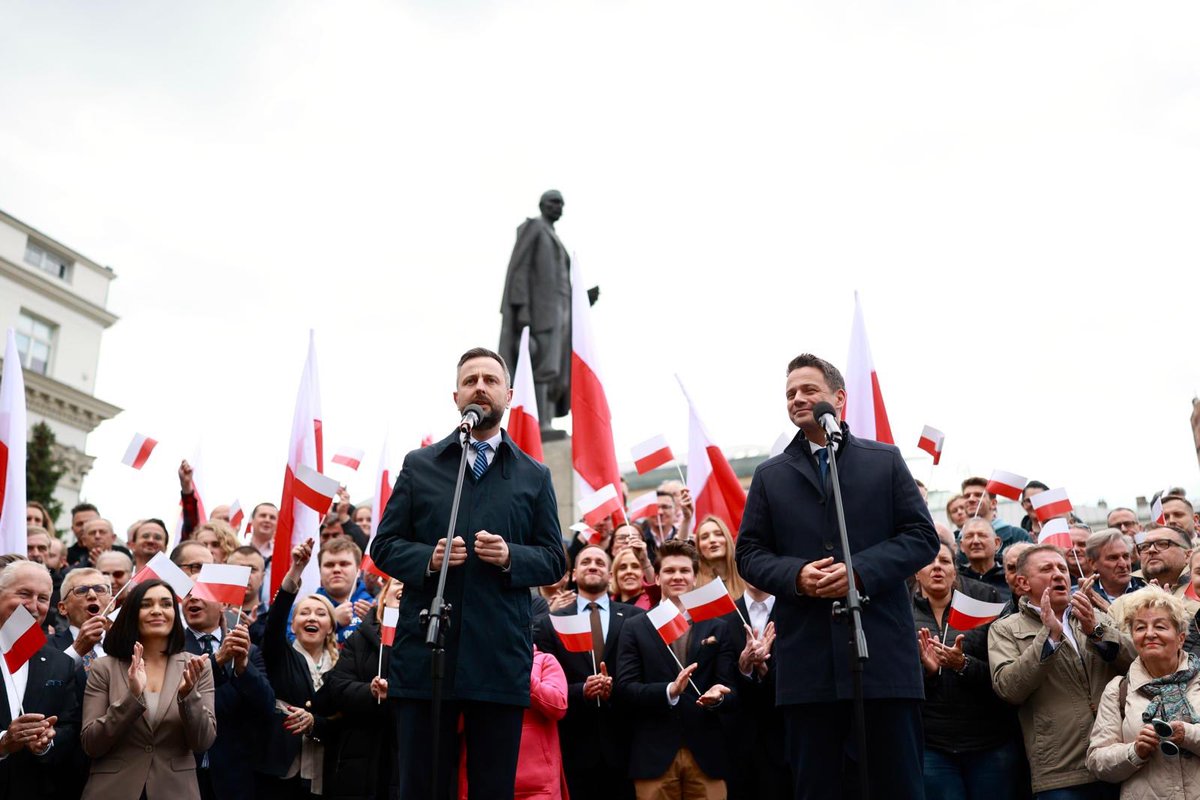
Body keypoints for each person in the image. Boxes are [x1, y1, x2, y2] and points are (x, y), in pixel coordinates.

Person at [736, 353, 940, 799]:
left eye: (808, 389)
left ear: (838, 399)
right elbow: (748, 554)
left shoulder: (883, 460)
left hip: (881, 658)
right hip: (808, 667)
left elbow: (922, 537)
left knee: (897, 787)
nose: (797, 398)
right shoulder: (770, 476)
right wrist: (796, 576)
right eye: (790, 393)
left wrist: (859, 572)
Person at [370, 346, 568, 800]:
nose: (480, 386)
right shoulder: (421, 466)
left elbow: (555, 559)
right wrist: (428, 558)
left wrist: (511, 556)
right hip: (427, 657)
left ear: (509, 394)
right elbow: (384, 545)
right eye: (471, 379)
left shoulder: (533, 475)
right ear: (456, 396)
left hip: (498, 657)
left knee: (491, 789)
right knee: (422, 787)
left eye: (490, 379)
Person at [989, 545, 1134, 798]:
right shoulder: (1005, 629)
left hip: (1117, 758)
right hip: (1060, 771)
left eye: (1062, 569)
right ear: (1023, 583)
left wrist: (1096, 632)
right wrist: (1050, 637)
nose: (1058, 574)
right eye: (1046, 569)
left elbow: (1137, 664)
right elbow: (1009, 689)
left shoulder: (1093, 616)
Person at [615, 539, 737, 799]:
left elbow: (732, 689)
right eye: (669, 571)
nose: (677, 576)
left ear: (695, 577)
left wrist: (719, 697)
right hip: (653, 756)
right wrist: (670, 691)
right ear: (657, 578)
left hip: (707, 754)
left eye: (684, 571)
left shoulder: (718, 626)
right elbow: (625, 688)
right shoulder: (635, 626)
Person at [80, 578, 216, 799]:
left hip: (176, 790)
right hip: (113, 790)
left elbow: (202, 742)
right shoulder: (104, 667)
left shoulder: (198, 665)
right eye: (146, 605)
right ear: (132, 613)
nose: (157, 611)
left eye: (165, 604)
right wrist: (132, 697)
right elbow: (91, 744)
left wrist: (188, 696)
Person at [912, 544, 1024, 800]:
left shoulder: (982, 609)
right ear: (917, 573)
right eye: (929, 561)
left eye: (945, 561)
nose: (937, 566)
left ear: (955, 572)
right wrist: (927, 672)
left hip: (988, 741)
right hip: (932, 745)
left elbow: (1004, 674)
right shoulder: (904, 614)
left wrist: (963, 664)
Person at [534, 545, 644, 800]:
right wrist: (581, 690)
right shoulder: (551, 622)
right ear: (573, 574)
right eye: (586, 562)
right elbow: (546, 682)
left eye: (599, 562)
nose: (593, 565)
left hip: (625, 744)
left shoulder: (636, 618)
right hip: (573, 745)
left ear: (609, 574)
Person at [1086, 588, 1200, 796]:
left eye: (1160, 626)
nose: (1149, 634)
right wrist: (1134, 751)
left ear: (1181, 638)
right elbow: (1097, 761)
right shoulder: (1118, 689)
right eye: (1140, 628)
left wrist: (1189, 734)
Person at [260, 538, 341, 799]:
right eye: (304, 613)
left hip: (327, 769)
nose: (312, 618)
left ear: (330, 627)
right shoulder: (280, 653)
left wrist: (314, 723)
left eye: (320, 613)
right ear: (293, 624)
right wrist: (295, 571)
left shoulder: (343, 665)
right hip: (282, 769)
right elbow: (274, 620)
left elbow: (344, 719)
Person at [181, 575, 275, 800]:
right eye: (188, 594)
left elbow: (267, 707)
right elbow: (176, 696)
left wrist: (243, 667)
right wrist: (218, 661)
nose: (193, 599)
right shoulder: (171, 646)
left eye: (203, 592)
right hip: (182, 772)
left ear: (224, 604)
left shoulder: (247, 650)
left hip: (233, 777)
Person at [315, 578, 403, 800]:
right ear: (383, 596)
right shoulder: (360, 638)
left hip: (406, 755)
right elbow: (337, 686)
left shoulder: (430, 641)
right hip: (360, 758)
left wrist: (399, 693)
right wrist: (370, 691)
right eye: (399, 583)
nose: (404, 588)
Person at [0, 560, 80, 798]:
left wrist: (46, 744)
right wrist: (3, 742)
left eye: (43, 598)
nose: (33, 606)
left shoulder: (60, 663)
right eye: (24, 594)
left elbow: (69, 726)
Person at [499, 190, 573, 433]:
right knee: (542, 366)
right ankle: (541, 424)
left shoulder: (554, 236)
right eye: (553, 202)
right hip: (541, 313)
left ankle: (547, 421)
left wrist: (580, 299)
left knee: (555, 371)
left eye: (561, 203)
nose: (558, 207)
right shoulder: (534, 229)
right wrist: (522, 311)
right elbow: (520, 270)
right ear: (542, 205)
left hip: (561, 310)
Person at [50, 567, 112, 666]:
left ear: (112, 603)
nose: (92, 595)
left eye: (99, 589)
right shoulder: (45, 646)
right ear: (62, 608)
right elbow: (47, 679)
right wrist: (76, 650)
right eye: (81, 591)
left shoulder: (128, 646)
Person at [960, 477, 1031, 554]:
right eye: (966, 496)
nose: (971, 499)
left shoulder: (1018, 536)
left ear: (993, 503)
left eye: (978, 495)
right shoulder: (957, 540)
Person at [694, 515, 746, 601]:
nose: (712, 540)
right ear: (699, 547)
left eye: (718, 534)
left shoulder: (747, 576)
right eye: (704, 537)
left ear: (727, 539)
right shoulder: (694, 582)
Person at [1086, 529, 1145, 605]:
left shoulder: (1148, 596)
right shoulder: (1085, 601)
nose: (1123, 564)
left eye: (1126, 556)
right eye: (1113, 558)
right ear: (1093, 564)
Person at [959, 517, 1010, 599]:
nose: (975, 541)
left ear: (996, 543)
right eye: (969, 536)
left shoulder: (1010, 577)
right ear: (961, 546)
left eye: (982, 535)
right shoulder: (957, 581)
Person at [1138, 527, 1193, 596]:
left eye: (1162, 544)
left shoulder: (1197, 594)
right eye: (1145, 546)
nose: (1151, 550)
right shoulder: (1127, 600)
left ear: (1187, 555)